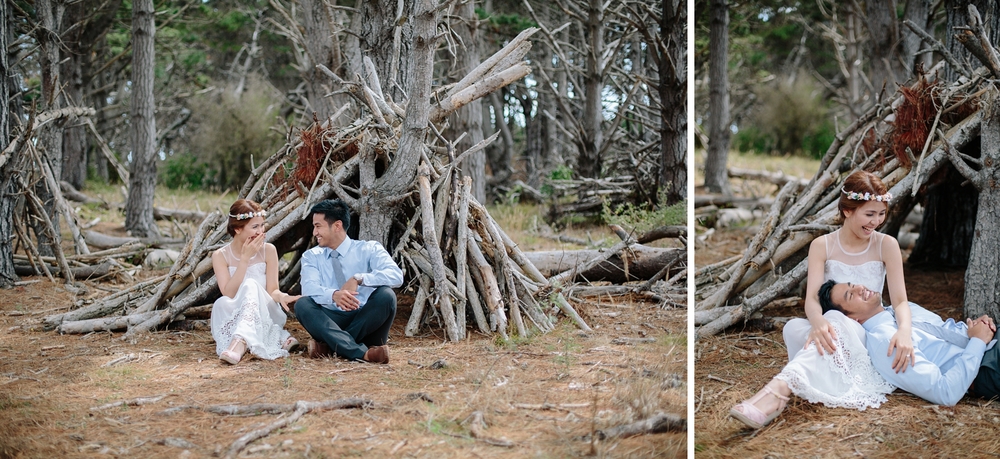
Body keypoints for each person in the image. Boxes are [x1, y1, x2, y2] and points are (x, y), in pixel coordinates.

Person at [730, 170, 916, 429]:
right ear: (848, 210)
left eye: (881, 213)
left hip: (866, 332)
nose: (876, 222)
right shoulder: (822, 245)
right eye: (869, 214)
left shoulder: (887, 245)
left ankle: (775, 396)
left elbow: (900, 302)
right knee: (795, 327)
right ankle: (807, 377)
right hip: (830, 325)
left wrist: (904, 330)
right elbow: (813, 299)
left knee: (834, 318)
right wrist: (816, 322)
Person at [818, 279, 999, 406]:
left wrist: (978, 326)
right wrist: (977, 341)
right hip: (985, 366)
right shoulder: (885, 343)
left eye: (853, 284)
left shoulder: (902, 309)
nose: (860, 288)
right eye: (851, 295)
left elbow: (946, 329)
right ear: (852, 319)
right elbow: (945, 392)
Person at [295, 199, 403, 364]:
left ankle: (331, 348)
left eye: (318, 226)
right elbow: (309, 288)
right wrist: (334, 295)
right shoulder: (311, 256)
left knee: (387, 296)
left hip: (366, 321)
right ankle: (364, 353)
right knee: (302, 304)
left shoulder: (369, 249)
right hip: (331, 322)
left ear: (337, 226)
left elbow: (396, 276)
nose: (315, 232)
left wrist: (360, 278)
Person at [211, 199, 301, 365]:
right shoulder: (220, 255)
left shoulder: (268, 250)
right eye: (255, 227)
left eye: (262, 225)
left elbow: (272, 290)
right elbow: (229, 293)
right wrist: (244, 259)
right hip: (236, 311)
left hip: (265, 310)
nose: (261, 232)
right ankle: (278, 336)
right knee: (221, 303)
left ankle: (239, 343)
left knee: (251, 285)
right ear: (237, 229)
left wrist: (281, 296)